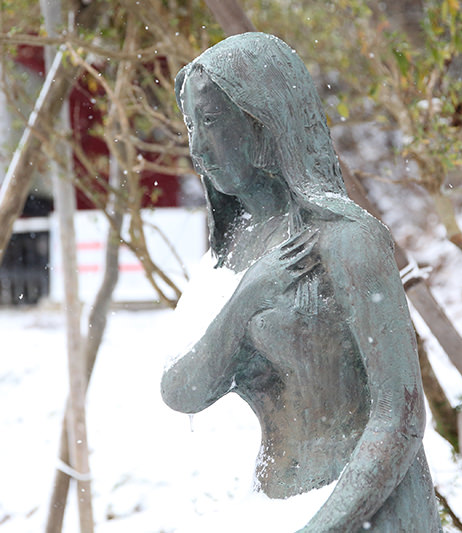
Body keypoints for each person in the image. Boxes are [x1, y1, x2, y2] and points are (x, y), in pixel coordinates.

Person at [161, 32, 440, 532]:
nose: (196, 146)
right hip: (273, 509)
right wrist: (247, 298)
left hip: (364, 513)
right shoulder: (226, 261)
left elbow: (399, 418)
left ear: (264, 120)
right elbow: (182, 391)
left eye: (209, 121)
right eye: (189, 125)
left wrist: (323, 526)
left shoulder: (346, 241)